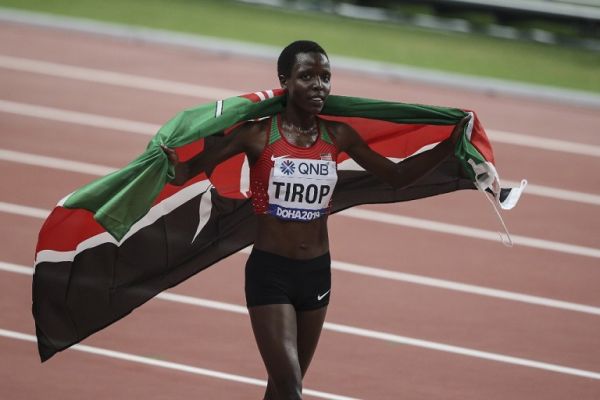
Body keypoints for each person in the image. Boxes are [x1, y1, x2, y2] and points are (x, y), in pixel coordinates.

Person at [162, 40, 468, 400]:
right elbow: (186, 172)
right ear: (285, 81)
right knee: (291, 388)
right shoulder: (258, 134)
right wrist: (172, 163)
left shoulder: (337, 135)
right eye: (307, 76)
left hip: (316, 274)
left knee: (280, 390)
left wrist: (448, 147)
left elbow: (396, 177)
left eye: (325, 77)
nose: (318, 86)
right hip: (270, 275)